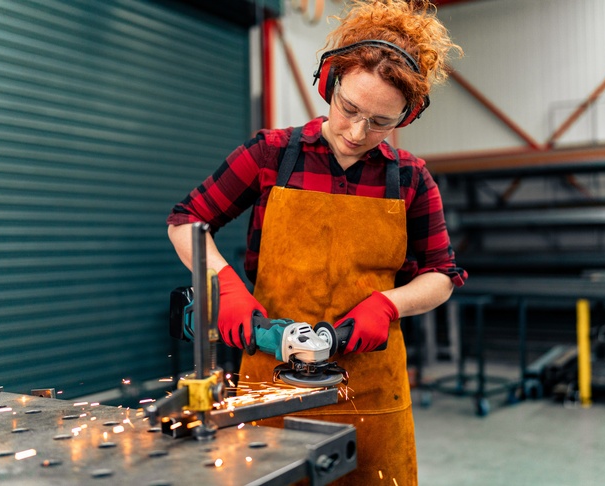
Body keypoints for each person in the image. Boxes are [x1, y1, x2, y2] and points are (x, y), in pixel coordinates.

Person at [167, 0, 466, 483]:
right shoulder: (270, 154)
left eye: (381, 122)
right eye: (349, 108)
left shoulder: (411, 178)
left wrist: (387, 306)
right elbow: (186, 220)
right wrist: (224, 284)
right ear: (329, 83)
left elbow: (442, 277)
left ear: (404, 118)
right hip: (269, 385)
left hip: (371, 391)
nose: (357, 131)